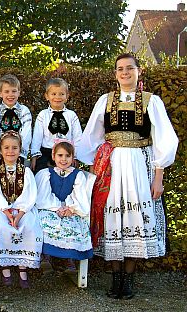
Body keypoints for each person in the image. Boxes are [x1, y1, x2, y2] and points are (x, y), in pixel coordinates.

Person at [76, 53, 178, 299]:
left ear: (139, 71)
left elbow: (164, 140)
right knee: (113, 217)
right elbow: (92, 137)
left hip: (139, 166)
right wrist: (94, 170)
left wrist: (158, 177)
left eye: (129, 68)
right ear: (115, 74)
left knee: (134, 218)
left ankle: (128, 281)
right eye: (120, 69)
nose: (125, 72)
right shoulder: (105, 100)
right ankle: (115, 279)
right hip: (111, 166)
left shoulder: (151, 102)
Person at [0, 131, 42, 289]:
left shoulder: (26, 171)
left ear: (20, 150)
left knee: (29, 225)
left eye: (14, 148)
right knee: (1, 227)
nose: (10, 151)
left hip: (21, 209)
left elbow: (30, 194)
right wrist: (6, 211)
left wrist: (19, 213)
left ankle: (22, 268)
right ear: (0, 150)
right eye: (6, 148)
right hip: (1, 209)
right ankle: (5, 268)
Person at [35, 140, 93, 268]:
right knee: (44, 221)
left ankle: (70, 259)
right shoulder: (46, 174)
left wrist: (70, 209)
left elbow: (79, 196)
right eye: (60, 155)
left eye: (68, 156)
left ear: (73, 157)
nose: (64, 159)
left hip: (71, 209)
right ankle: (46, 256)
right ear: (53, 156)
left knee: (72, 224)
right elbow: (43, 197)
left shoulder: (77, 175)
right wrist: (57, 208)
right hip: (50, 208)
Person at [31, 78, 82, 174]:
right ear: (47, 96)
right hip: (46, 153)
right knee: (42, 175)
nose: (57, 97)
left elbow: (77, 137)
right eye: (53, 94)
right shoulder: (43, 115)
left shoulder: (71, 115)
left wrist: (75, 156)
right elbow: (37, 137)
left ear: (67, 96)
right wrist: (34, 155)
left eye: (61, 94)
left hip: (66, 154)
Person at [0, 74, 32, 167]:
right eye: (6, 91)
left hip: (17, 149)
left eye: (14, 91)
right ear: (0, 93)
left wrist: (21, 153)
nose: (10, 95)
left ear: (19, 92)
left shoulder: (24, 111)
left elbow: (26, 134)